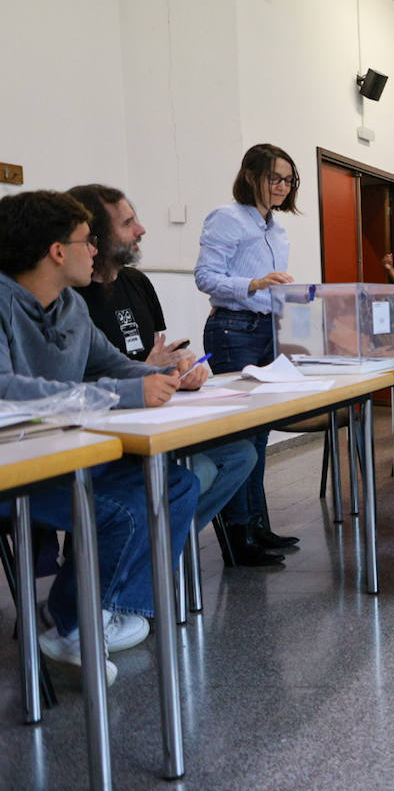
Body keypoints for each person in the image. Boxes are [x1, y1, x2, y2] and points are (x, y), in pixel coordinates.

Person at [0, 190, 202, 684]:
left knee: (177, 486)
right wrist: (124, 392)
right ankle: (76, 622)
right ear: (57, 251)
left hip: (69, 454)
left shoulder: (71, 306)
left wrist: (175, 373)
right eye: (88, 241)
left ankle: (84, 614)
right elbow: (6, 389)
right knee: (124, 511)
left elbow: (116, 366)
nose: (96, 250)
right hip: (18, 469)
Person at [68, 184, 266, 563]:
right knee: (199, 472)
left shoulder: (136, 283)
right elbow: (75, 383)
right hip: (105, 430)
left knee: (240, 454)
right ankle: (144, 561)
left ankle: (150, 556)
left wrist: (183, 369)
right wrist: (149, 370)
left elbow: (154, 354)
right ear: (94, 237)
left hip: (153, 417)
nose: (141, 230)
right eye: (128, 223)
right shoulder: (69, 299)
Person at [194, 143, 301, 556]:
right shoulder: (227, 217)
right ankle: (239, 535)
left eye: (288, 180)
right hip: (233, 329)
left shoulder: (274, 226)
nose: (282, 186)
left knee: (260, 434)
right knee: (241, 434)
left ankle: (259, 525)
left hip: (266, 329)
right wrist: (253, 284)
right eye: (275, 178)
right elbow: (205, 277)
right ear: (251, 175)